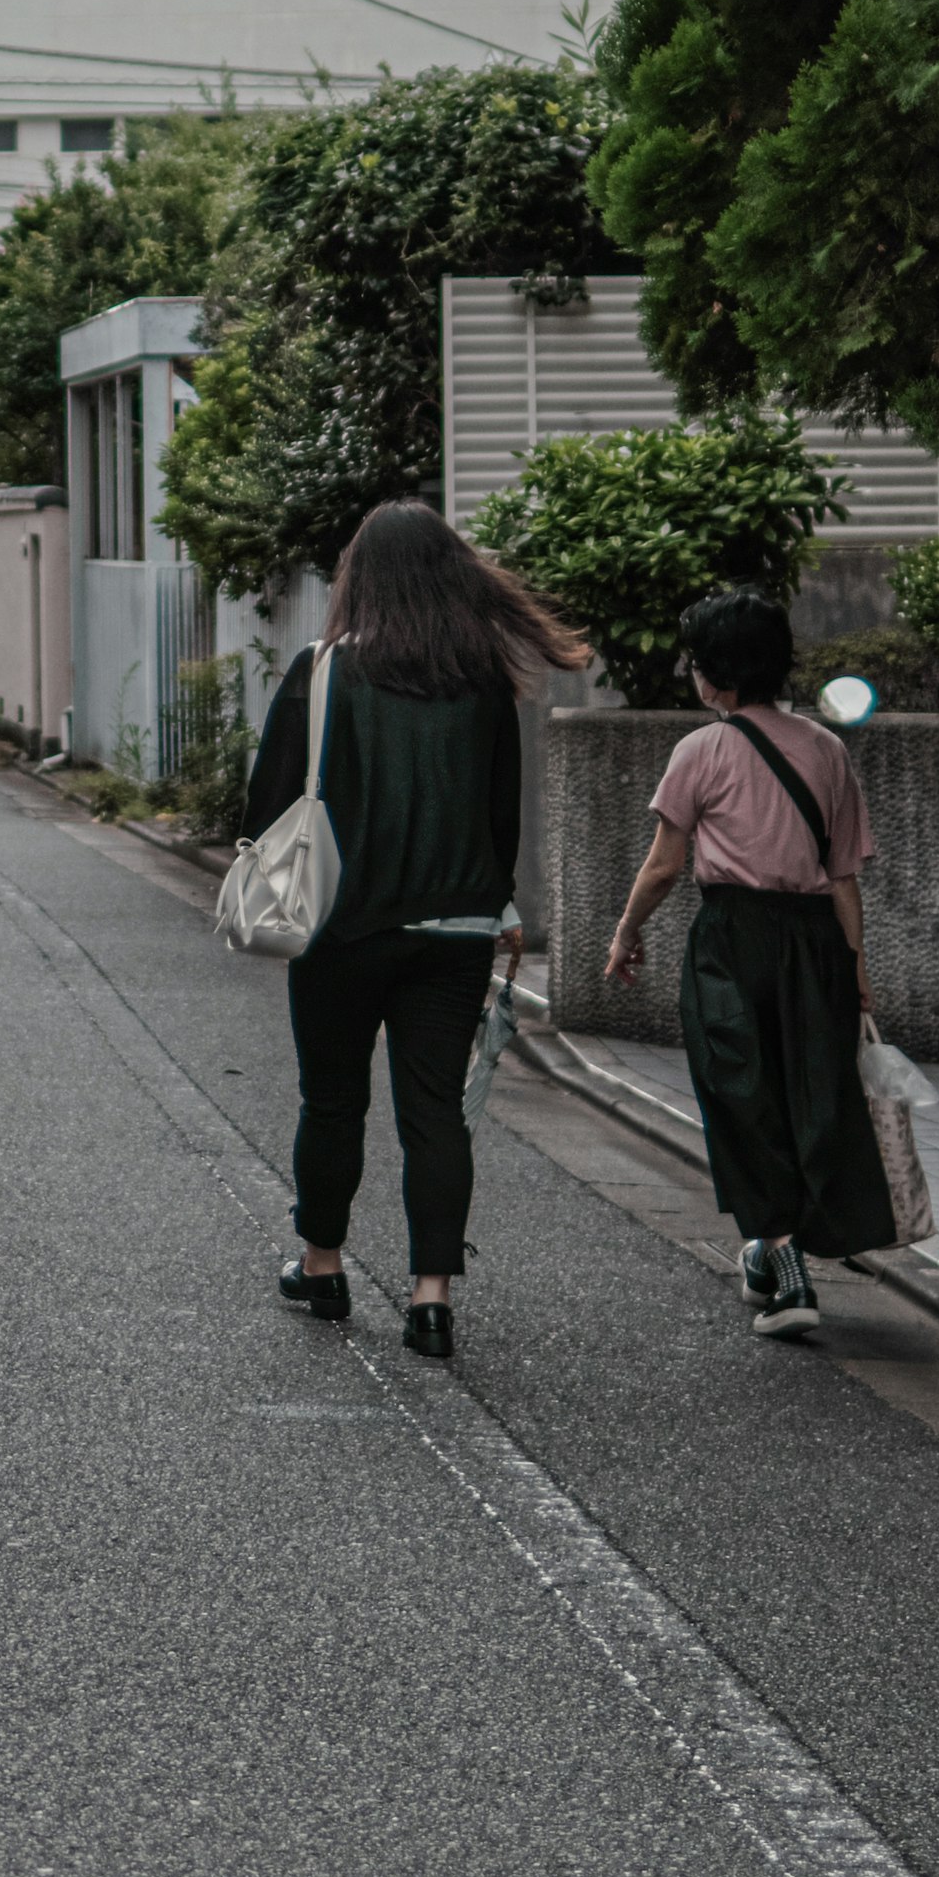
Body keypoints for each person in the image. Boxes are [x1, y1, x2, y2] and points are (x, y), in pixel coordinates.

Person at [246, 499, 590, 1361]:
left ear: (359, 577)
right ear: (452, 578)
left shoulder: (321, 671)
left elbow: (267, 806)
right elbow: (499, 818)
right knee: (435, 1112)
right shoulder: (481, 685)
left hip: (340, 928)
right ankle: (431, 1298)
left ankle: (322, 1265)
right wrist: (497, 908)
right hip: (455, 929)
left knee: (333, 1101)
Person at [602, 588, 891, 1339]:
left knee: (739, 1095)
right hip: (814, 940)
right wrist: (856, 971)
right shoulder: (827, 749)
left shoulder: (701, 751)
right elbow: (843, 877)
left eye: (696, 663)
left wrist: (626, 932)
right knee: (809, 1097)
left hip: (733, 939)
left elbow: (664, 866)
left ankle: (787, 1266)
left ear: (715, 676)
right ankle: (769, 1253)